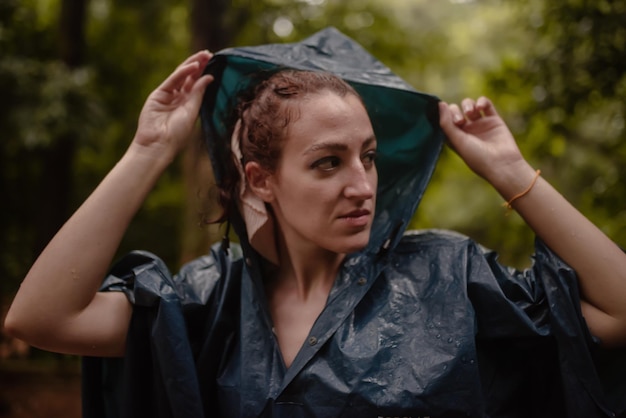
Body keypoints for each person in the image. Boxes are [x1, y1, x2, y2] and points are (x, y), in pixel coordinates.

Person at [4, 29, 626, 417]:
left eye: (369, 157)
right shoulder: (209, 301)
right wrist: (147, 153)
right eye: (328, 163)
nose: (362, 185)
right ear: (261, 180)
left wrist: (511, 171)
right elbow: (41, 318)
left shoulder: (447, 275)